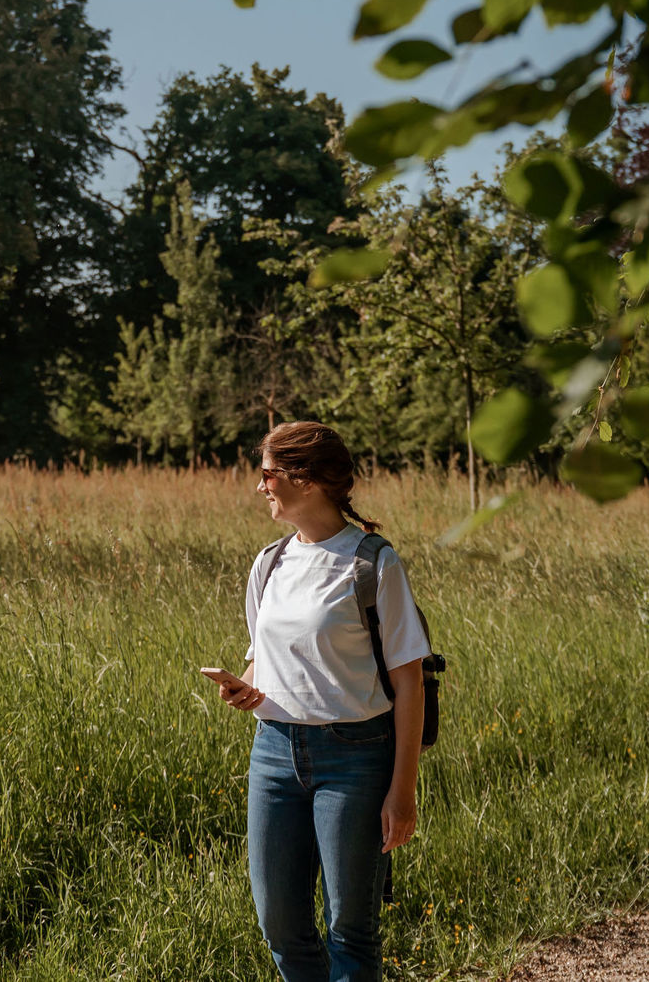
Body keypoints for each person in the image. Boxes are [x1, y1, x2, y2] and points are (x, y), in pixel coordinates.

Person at [211, 420, 429, 982]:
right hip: (275, 753)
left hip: (355, 759)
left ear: (305, 479)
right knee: (280, 925)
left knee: (351, 931)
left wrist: (401, 792)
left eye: (267, 474)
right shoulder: (270, 563)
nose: (260, 486)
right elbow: (264, 656)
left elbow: (409, 684)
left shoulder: (373, 564)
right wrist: (246, 685)